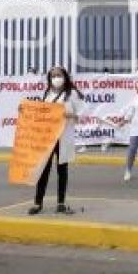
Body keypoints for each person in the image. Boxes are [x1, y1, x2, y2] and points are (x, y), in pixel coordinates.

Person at [29, 67, 84, 215]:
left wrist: (67, 113)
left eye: (59, 75)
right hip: (48, 137)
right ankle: (37, 203)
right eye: (53, 76)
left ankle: (61, 202)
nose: (56, 78)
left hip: (63, 136)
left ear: (65, 76)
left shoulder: (71, 94)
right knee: (43, 170)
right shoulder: (47, 93)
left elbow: (81, 114)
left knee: (62, 170)